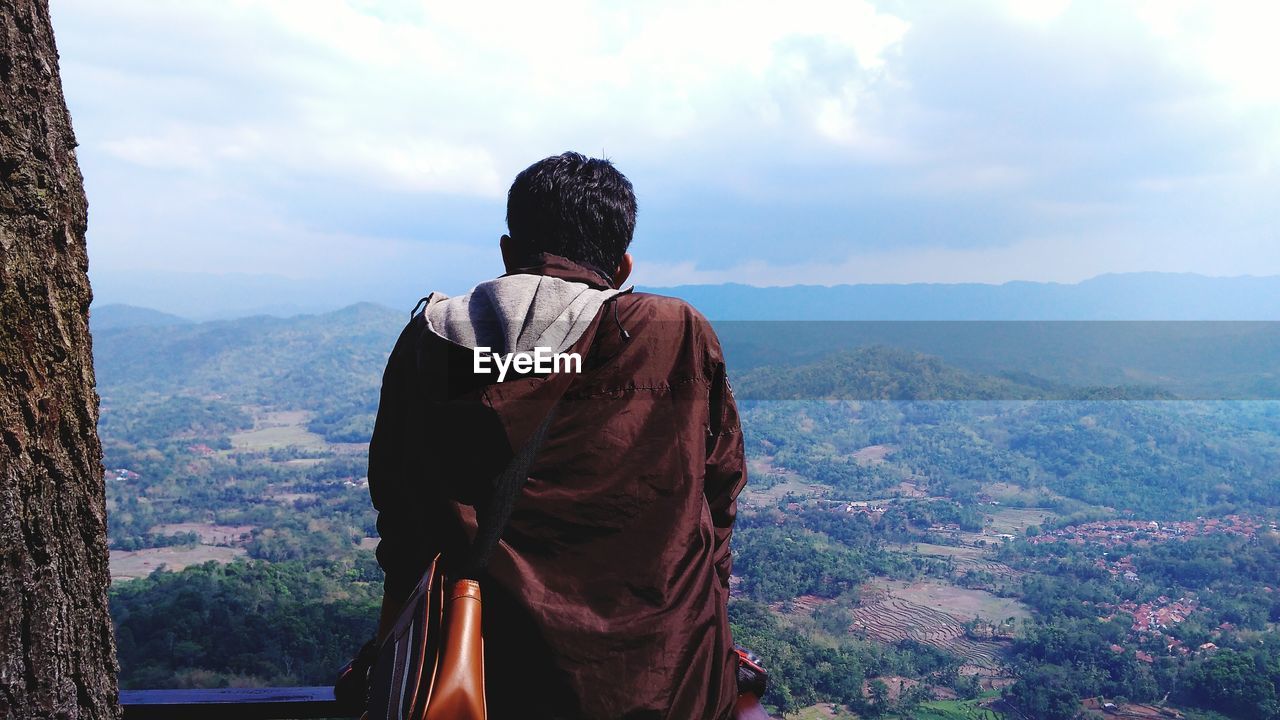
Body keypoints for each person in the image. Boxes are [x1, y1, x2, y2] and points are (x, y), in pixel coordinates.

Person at [365, 152, 750, 719]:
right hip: (664, 682)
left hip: (483, 680)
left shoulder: (429, 341)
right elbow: (719, 495)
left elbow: (396, 508)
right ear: (621, 268)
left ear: (506, 253)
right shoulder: (671, 334)